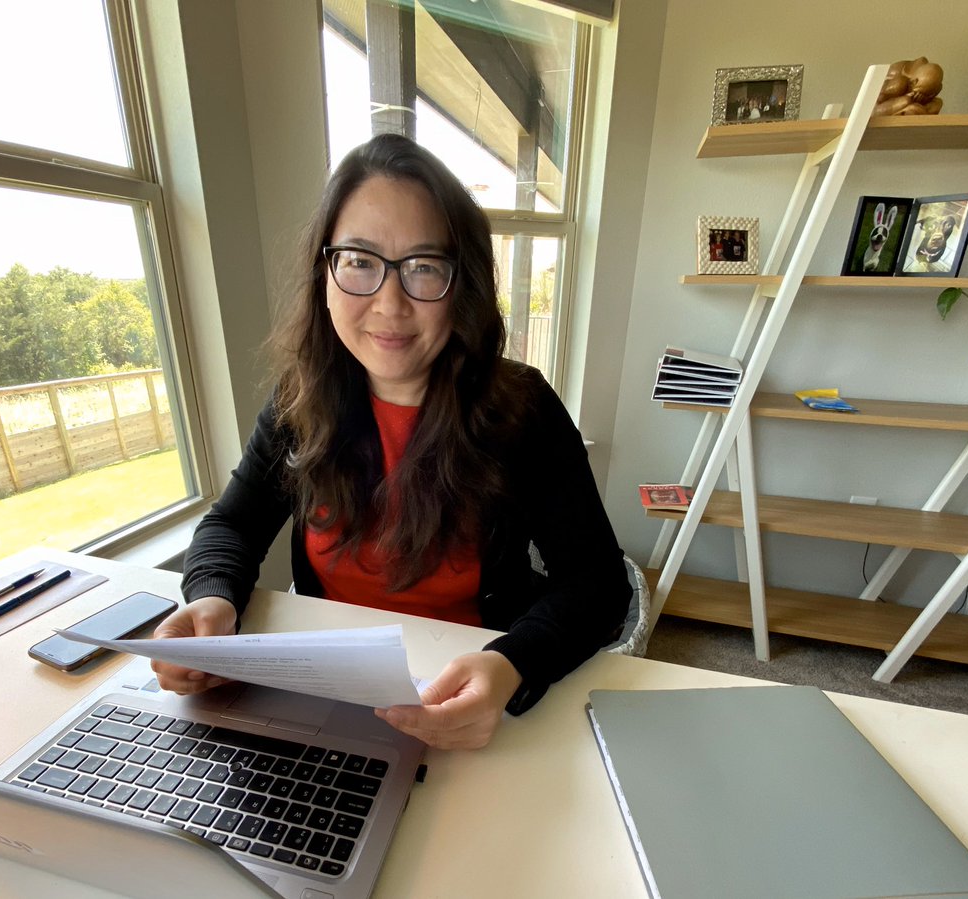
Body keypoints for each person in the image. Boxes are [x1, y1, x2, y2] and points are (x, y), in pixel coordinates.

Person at [150, 133, 631, 750]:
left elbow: (596, 582)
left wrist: (512, 664)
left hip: (470, 703)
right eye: (360, 260)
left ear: (464, 285)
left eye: (424, 267)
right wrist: (212, 599)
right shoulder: (301, 399)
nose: (390, 303)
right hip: (329, 694)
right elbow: (232, 526)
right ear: (325, 270)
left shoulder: (524, 409)